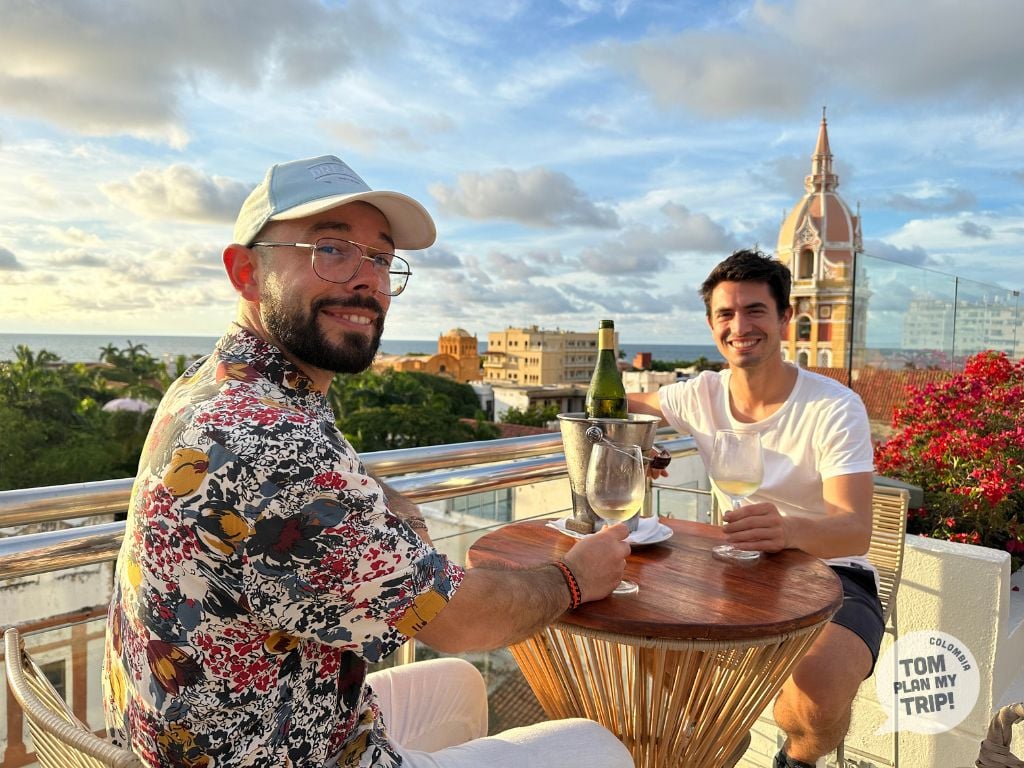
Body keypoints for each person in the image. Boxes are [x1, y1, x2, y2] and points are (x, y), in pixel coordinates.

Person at [101, 154, 635, 768]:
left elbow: (321, 485)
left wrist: (373, 500)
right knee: (598, 746)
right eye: (331, 249)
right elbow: (463, 621)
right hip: (279, 753)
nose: (367, 281)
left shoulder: (220, 387)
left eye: (380, 258)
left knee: (457, 684)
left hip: (245, 719)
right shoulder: (270, 445)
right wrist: (576, 578)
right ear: (245, 271)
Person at [628, 249, 882, 768]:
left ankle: (797, 758)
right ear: (711, 324)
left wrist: (788, 530)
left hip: (832, 571)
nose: (739, 326)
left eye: (755, 311)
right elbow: (620, 406)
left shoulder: (832, 406)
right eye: (726, 314)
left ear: (785, 317)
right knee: (641, 625)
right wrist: (637, 445)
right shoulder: (699, 395)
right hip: (735, 570)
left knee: (814, 700)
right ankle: (723, 730)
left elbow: (855, 531)